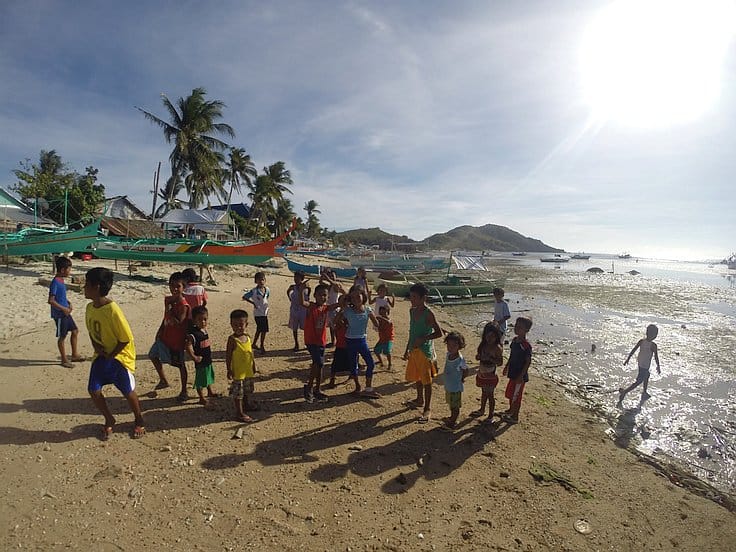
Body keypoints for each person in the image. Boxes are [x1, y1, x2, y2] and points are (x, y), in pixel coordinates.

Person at [83, 267, 145, 440]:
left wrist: (112, 354)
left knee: (128, 391)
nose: (84, 288)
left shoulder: (113, 310)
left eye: (87, 284)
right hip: (101, 356)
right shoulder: (89, 308)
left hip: (118, 358)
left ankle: (139, 418)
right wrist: (96, 346)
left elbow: (126, 338)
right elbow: (91, 331)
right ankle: (109, 418)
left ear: (96, 287)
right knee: (93, 390)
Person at [149, 272, 191, 401]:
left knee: (180, 365)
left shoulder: (183, 305)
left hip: (176, 340)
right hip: (165, 336)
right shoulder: (169, 300)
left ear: (183, 288)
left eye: (178, 286)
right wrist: (160, 330)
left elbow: (179, 322)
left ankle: (184, 390)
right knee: (153, 355)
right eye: (172, 286)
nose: (174, 289)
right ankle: (163, 380)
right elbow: (165, 318)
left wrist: (169, 309)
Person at [403, 283, 443, 423]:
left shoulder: (428, 313)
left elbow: (439, 333)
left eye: (414, 297)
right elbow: (411, 331)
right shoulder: (412, 311)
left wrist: (423, 339)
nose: (411, 299)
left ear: (423, 298)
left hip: (425, 352)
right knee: (417, 377)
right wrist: (406, 349)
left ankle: (427, 408)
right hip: (414, 351)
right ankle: (419, 399)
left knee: (427, 381)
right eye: (411, 296)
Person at [335, 285, 380, 397]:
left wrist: (379, 319)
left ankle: (368, 388)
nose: (355, 299)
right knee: (353, 364)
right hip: (350, 341)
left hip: (362, 340)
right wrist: (341, 310)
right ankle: (358, 387)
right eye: (353, 297)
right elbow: (336, 321)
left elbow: (377, 324)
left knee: (370, 364)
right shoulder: (347, 311)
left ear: (363, 296)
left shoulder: (368, 310)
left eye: (357, 296)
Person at [301, 283, 342, 402]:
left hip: (321, 341)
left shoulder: (326, 308)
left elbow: (340, 303)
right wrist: (301, 291)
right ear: (315, 295)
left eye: (325, 295)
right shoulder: (312, 306)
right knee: (318, 362)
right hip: (311, 340)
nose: (322, 297)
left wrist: (340, 291)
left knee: (320, 365)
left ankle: (317, 389)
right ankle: (309, 386)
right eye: (320, 295)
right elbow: (302, 302)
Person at [48, 256, 84, 368]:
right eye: (69, 269)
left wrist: (68, 303)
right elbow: (51, 300)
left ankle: (74, 355)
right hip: (60, 314)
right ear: (63, 270)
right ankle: (63, 359)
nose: (70, 272)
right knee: (62, 337)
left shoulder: (61, 280)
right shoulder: (55, 282)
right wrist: (64, 309)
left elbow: (61, 297)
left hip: (66, 312)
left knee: (75, 331)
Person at [226, 309, 258, 422]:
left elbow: (251, 353)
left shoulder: (248, 337)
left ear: (246, 324)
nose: (238, 328)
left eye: (241, 325)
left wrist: (253, 365)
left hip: (248, 371)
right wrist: (229, 369)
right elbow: (228, 355)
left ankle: (247, 405)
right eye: (235, 325)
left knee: (247, 390)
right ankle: (239, 413)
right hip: (238, 373)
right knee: (238, 393)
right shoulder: (232, 340)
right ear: (231, 325)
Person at [618, 324, 661, 406]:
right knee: (639, 381)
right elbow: (656, 357)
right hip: (644, 365)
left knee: (647, 375)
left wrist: (628, 358)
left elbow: (634, 350)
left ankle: (644, 392)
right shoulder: (653, 345)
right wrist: (658, 367)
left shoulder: (642, 341)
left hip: (640, 363)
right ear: (654, 335)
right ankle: (625, 392)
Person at [185, 306, 219, 406]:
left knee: (208, 376)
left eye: (205, 319)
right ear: (194, 320)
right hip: (200, 361)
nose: (203, 322)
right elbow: (188, 346)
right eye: (200, 320)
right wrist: (194, 357)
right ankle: (201, 397)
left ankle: (210, 391)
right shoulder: (193, 334)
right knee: (200, 380)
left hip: (207, 359)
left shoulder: (204, 330)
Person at [501, 316, 533, 424]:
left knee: (516, 396)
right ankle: (511, 410)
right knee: (510, 394)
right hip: (513, 373)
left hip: (520, 376)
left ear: (526, 330)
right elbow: (512, 356)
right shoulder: (514, 341)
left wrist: (521, 376)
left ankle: (515, 416)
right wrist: (506, 366)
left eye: (520, 327)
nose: (516, 329)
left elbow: (528, 362)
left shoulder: (526, 345)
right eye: (516, 326)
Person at [470, 322, 504, 423]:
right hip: (482, 373)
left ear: (497, 336)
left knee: (490, 395)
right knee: (484, 393)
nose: (489, 339)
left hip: (491, 376)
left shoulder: (497, 348)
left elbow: (500, 362)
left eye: (492, 336)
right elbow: (478, 356)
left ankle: (490, 415)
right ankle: (482, 409)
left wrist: (491, 358)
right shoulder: (483, 345)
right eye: (487, 336)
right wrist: (478, 357)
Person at [441, 331, 469, 430]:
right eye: (448, 345)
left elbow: (466, 370)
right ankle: (452, 418)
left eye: (454, 345)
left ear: (459, 346)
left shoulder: (460, 360)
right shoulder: (448, 354)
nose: (450, 347)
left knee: (455, 406)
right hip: (449, 386)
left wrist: (462, 378)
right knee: (451, 404)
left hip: (455, 387)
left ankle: (452, 424)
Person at [243, 271, 270, 353]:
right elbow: (245, 297)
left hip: (265, 312)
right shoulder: (254, 291)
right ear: (256, 281)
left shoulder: (267, 289)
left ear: (265, 280)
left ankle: (254, 344)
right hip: (258, 313)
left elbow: (266, 298)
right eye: (259, 280)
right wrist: (253, 303)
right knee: (263, 330)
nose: (261, 282)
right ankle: (262, 345)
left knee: (259, 329)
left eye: (262, 280)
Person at [287, 271, 310, 351]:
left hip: (303, 309)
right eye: (295, 277)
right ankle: (296, 344)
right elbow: (288, 291)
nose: (296, 279)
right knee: (294, 327)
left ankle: (307, 343)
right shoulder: (293, 287)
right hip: (294, 309)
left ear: (302, 279)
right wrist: (290, 299)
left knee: (305, 328)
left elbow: (308, 295)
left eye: (298, 278)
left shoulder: (305, 287)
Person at [327, 312, 352, 387]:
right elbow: (335, 322)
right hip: (341, 347)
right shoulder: (338, 326)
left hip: (348, 346)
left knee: (351, 363)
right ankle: (332, 378)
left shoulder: (349, 326)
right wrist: (342, 311)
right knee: (335, 364)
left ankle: (351, 376)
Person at [321, 268, 341, 347]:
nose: (331, 278)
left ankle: (338, 342)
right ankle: (333, 341)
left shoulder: (336, 285)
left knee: (335, 327)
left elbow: (334, 283)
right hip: (329, 308)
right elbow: (321, 282)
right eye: (330, 276)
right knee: (331, 327)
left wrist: (327, 278)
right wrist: (323, 275)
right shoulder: (329, 286)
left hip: (335, 309)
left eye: (333, 276)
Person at [374, 305, 395, 371]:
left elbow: (389, 322)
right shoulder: (380, 320)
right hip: (382, 339)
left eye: (384, 312)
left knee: (387, 352)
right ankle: (381, 362)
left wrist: (380, 318)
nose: (383, 314)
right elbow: (379, 328)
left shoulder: (388, 319)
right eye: (381, 312)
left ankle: (390, 364)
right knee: (376, 351)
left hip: (388, 339)